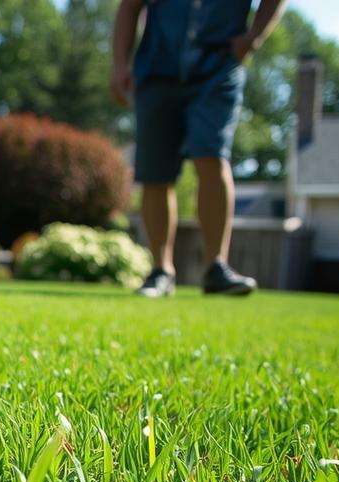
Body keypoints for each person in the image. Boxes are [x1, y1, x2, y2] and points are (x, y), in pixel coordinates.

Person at [111, 0, 285, 297]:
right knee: (155, 173)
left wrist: (254, 35)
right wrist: (119, 65)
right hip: (157, 68)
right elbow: (130, 7)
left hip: (217, 66)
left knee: (212, 155)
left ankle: (217, 266)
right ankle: (161, 271)